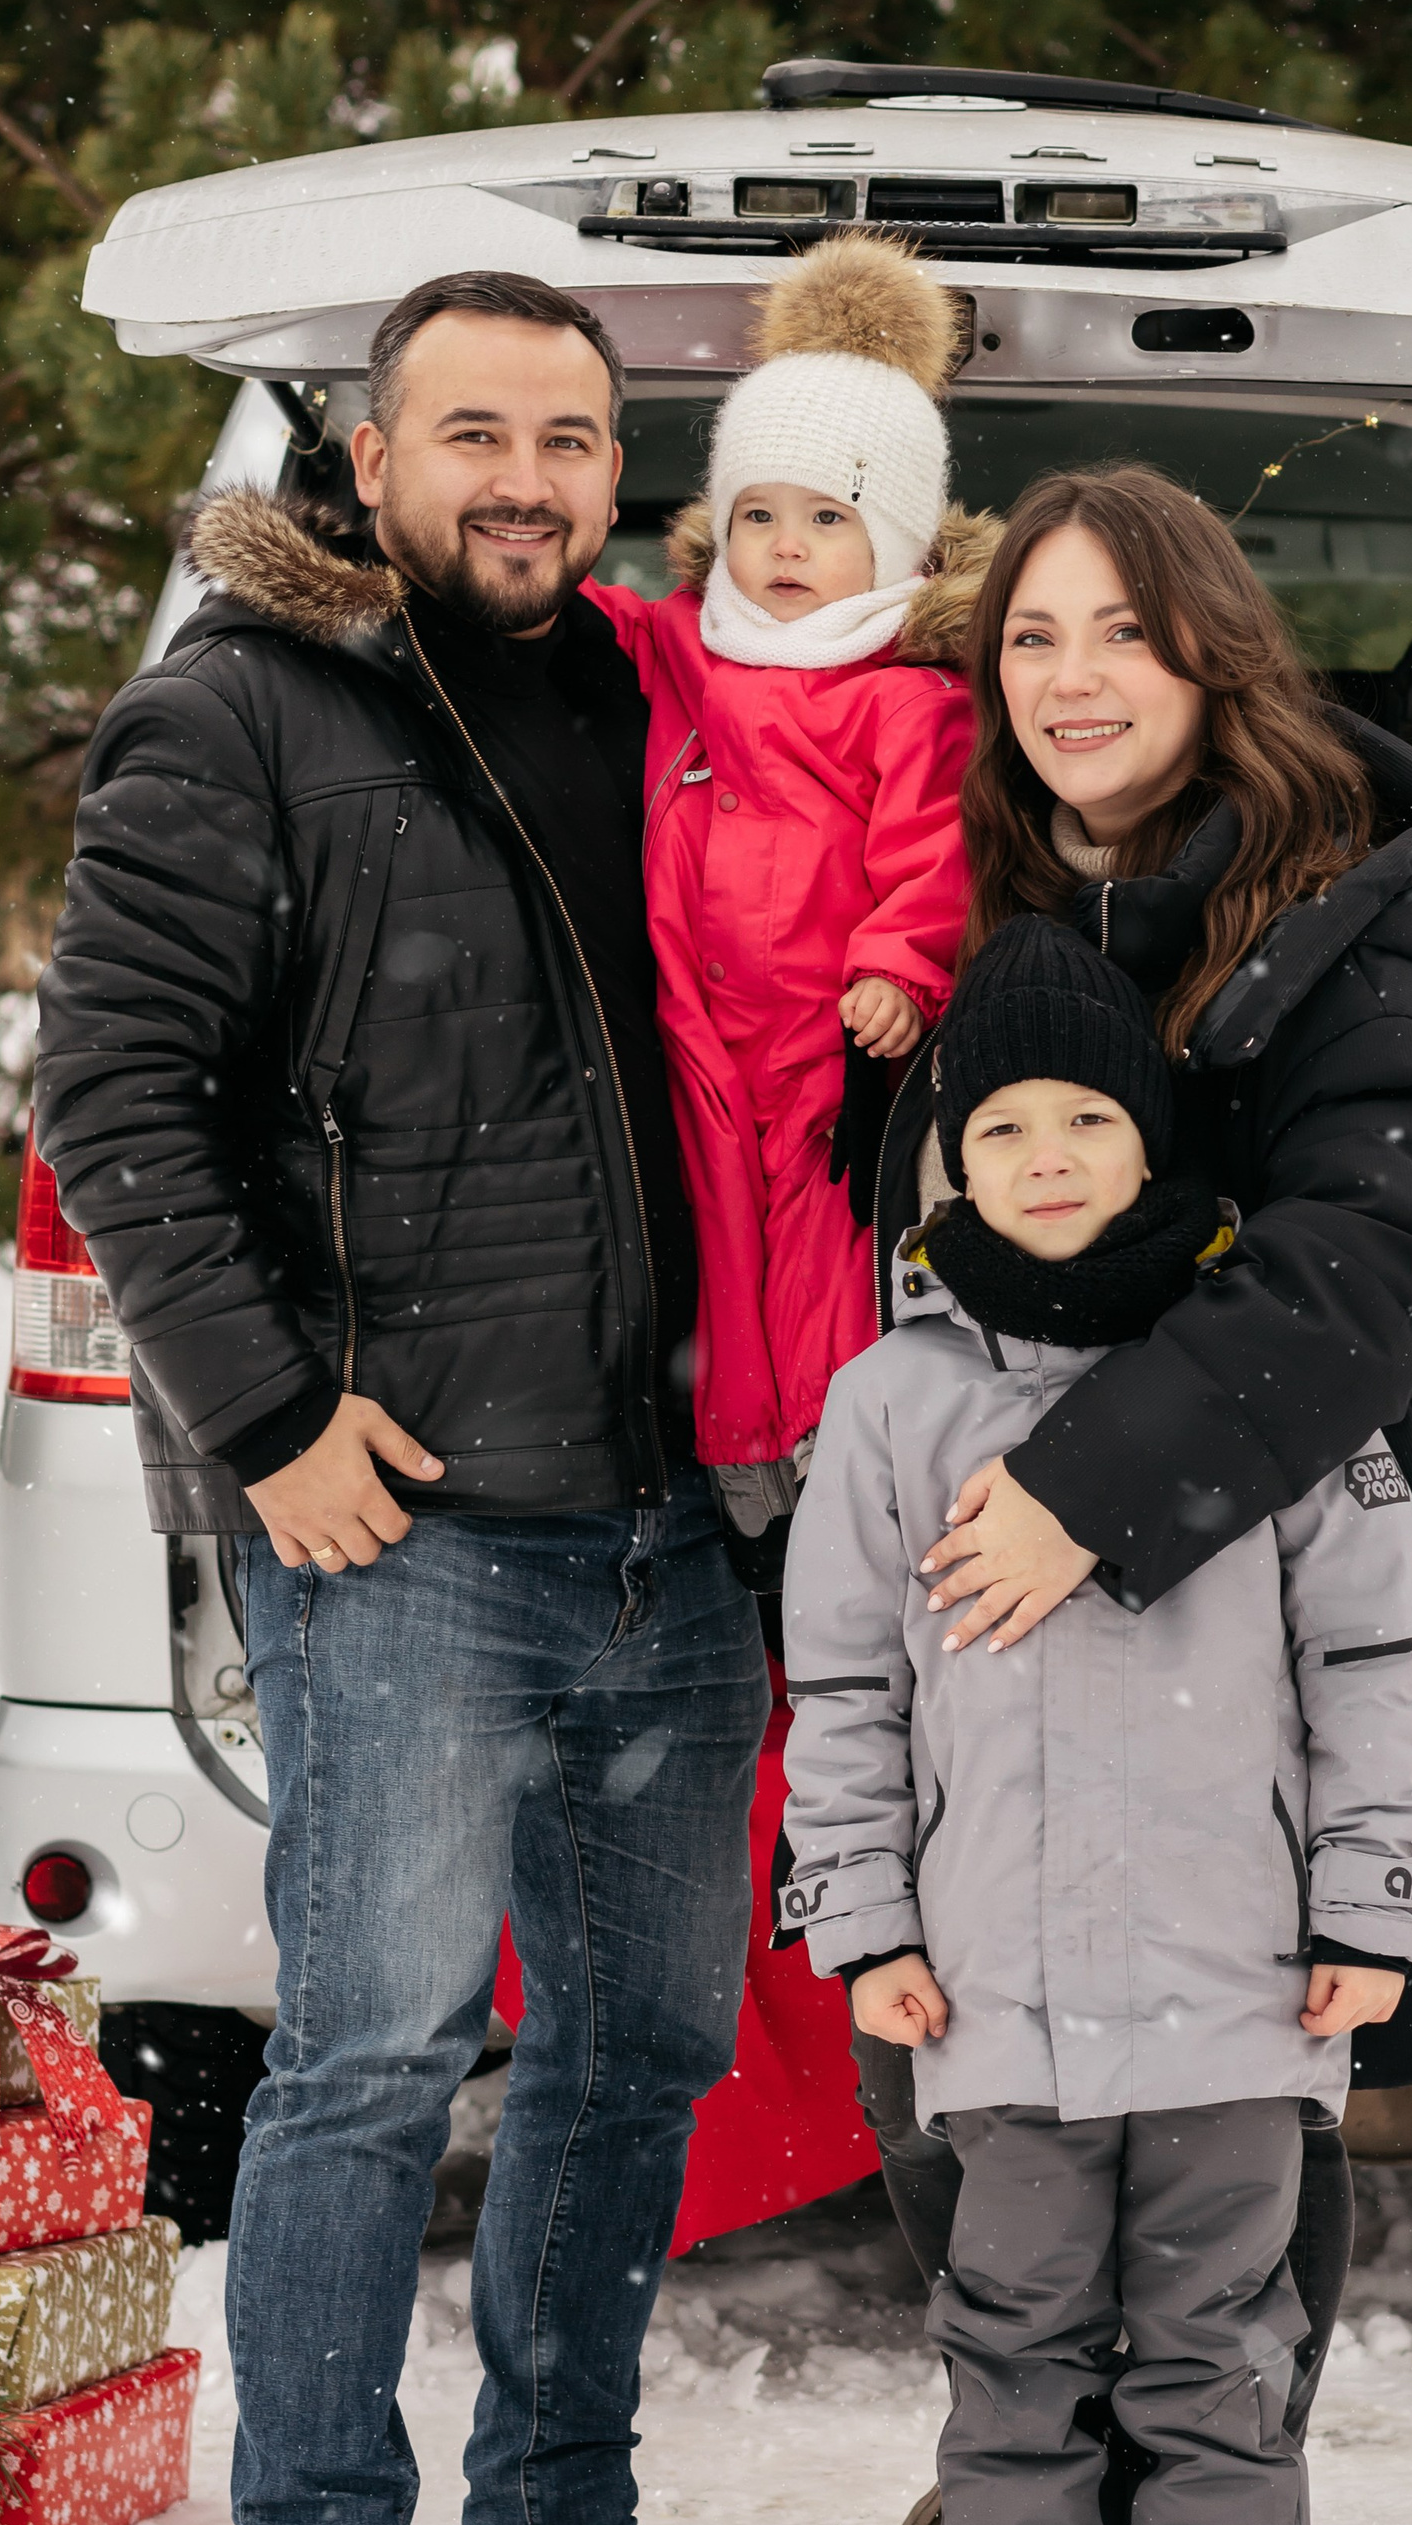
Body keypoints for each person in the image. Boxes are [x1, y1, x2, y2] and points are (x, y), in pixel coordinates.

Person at [34, 271, 768, 2525]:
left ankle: (558, 2511)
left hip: (677, 1520)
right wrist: (270, 1422)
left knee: (640, 2051)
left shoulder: (675, 706)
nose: (525, 479)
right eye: (471, 433)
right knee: (365, 2064)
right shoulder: (240, 714)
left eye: (566, 437)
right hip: (413, 1523)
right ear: (367, 460)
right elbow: (107, 1094)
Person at [855, 462, 1412, 2525]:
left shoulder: (1350, 932)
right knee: (990, 2113)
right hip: (1037, 1659)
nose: (1071, 676)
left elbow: (1361, 1275)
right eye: (1028, 634)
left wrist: (1068, 1494)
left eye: (1121, 627)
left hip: (1259, 1614)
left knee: (1223, 2128)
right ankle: (1040, 2488)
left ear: (1215, 650)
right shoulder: (1033, 912)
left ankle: (1187, 2498)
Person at [780, 915, 1412, 2525]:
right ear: (949, 1170)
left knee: (1220, 2368)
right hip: (998, 2013)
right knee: (1014, 2369)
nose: (1047, 1155)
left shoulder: (1266, 1378)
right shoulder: (889, 1405)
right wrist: (868, 1924)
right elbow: (846, 1688)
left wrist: (1370, 1904)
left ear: (1149, 1138)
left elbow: (1372, 1658)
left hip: (1236, 2003)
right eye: (1000, 1125)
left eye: (1087, 1115)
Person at [591, 235, 986, 1579]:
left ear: (894, 541)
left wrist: (900, 964)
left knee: (823, 1260)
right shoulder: (691, 649)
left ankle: (831, 1456)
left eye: (827, 519)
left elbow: (934, 846)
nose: (787, 549)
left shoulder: (903, 691)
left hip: (828, 1051)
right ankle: (747, 1455)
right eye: (758, 515)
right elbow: (591, 627)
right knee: (721, 1261)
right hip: (702, 1036)